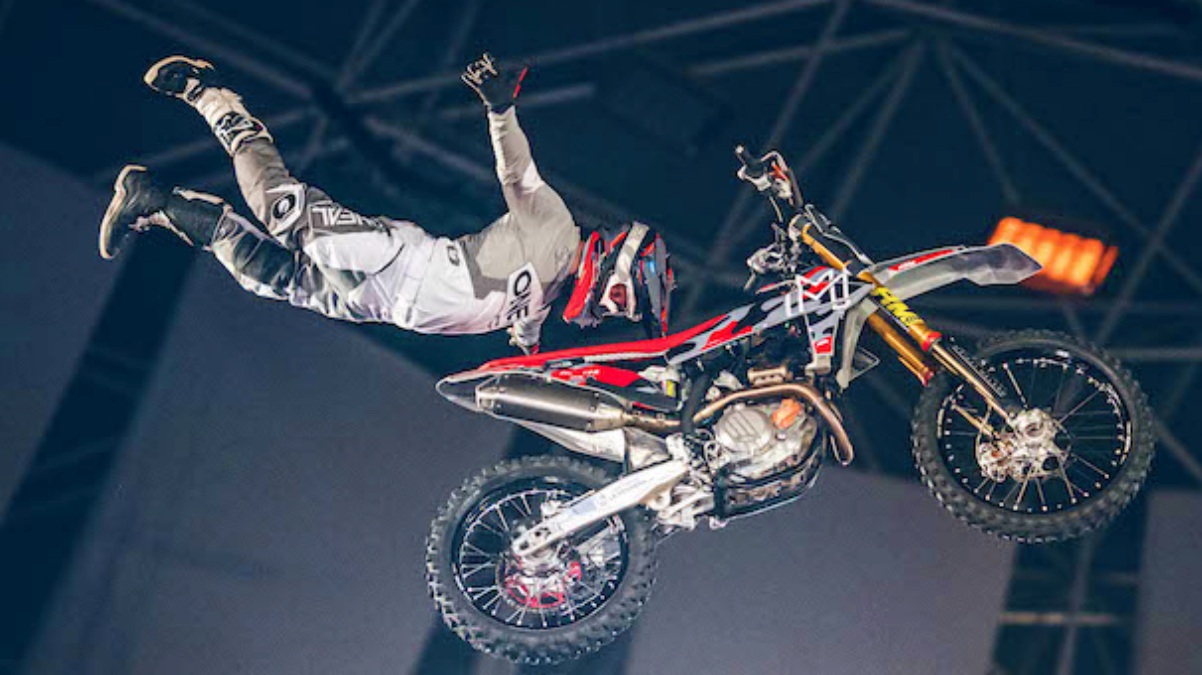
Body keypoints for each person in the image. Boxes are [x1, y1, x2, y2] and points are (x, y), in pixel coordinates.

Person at [98, 53, 674, 351]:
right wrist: (501, 110)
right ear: (620, 263)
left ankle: (153, 199)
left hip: (376, 304)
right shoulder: (558, 232)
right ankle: (208, 93)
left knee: (260, 274)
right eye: (621, 300)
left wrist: (533, 372)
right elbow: (518, 174)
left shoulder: (547, 297)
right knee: (277, 205)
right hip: (392, 261)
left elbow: (527, 339)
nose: (608, 312)